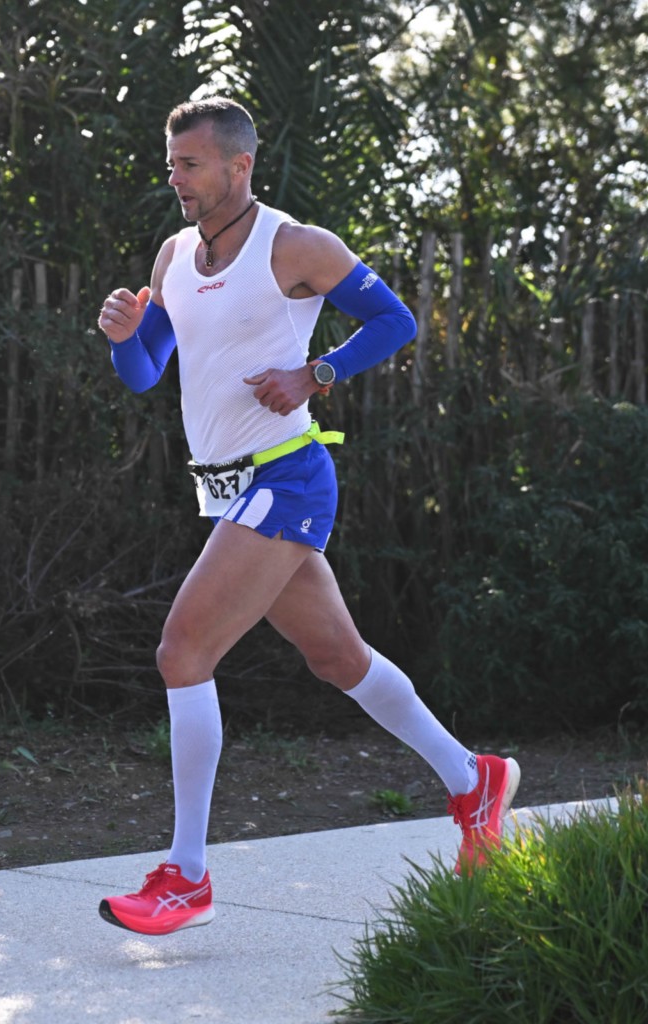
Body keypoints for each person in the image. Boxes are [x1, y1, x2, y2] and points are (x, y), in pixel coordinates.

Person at [95, 97, 519, 936]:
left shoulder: (293, 245)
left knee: (182, 650)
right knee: (337, 657)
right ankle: (473, 780)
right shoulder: (174, 255)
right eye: (171, 163)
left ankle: (185, 877)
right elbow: (147, 373)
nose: (175, 177)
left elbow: (394, 320)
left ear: (239, 165)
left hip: (286, 476)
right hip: (225, 486)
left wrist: (314, 373)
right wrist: (123, 335)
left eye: (189, 164)